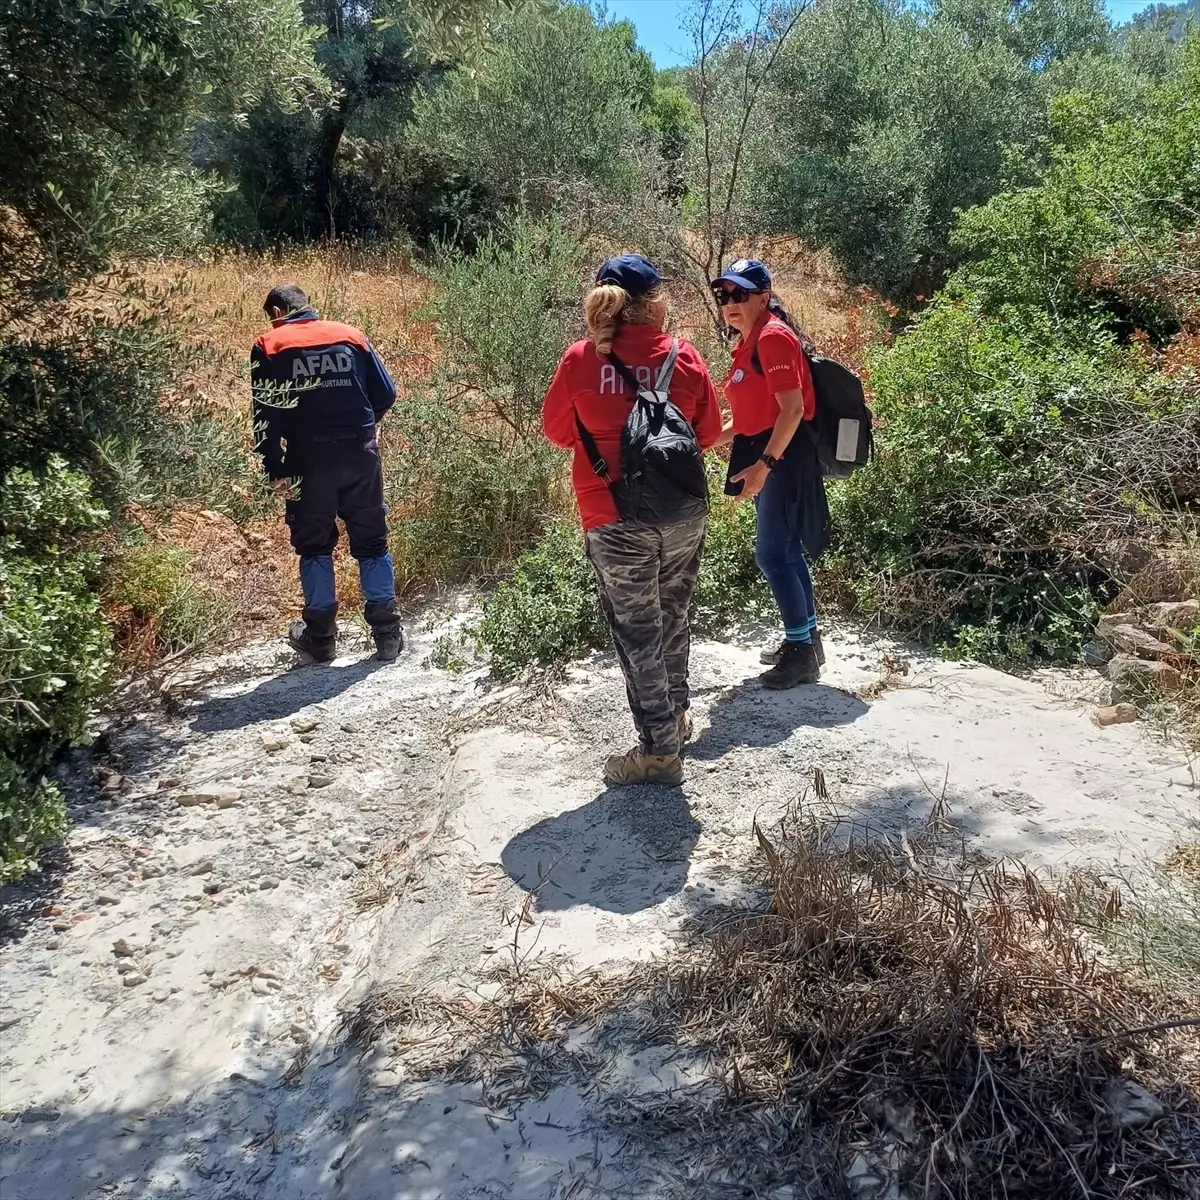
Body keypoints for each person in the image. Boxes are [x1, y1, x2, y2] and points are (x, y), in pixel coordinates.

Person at [543, 254, 722, 785]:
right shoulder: (684, 357)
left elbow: (556, 431)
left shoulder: (578, 360)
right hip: (681, 512)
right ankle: (678, 716)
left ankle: (659, 752)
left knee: (637, 631)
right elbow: (707, 434)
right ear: (652, 303)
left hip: (612, 514)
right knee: (674, 613)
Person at [251, 283, 404, 663]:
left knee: (314, 545)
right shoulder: (350, 335)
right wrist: (367, 429)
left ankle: (321, 638)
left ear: (276, 312)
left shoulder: (270, 344)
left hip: (307, 459)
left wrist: (275, 467)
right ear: (309, 306)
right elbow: (385, 393)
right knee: (372, 540)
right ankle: (387, 635)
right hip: (360, 453)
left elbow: (265, 414)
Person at [711, 259, 829, 689]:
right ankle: (806, 641)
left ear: (764, 297)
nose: (730, 303)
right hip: (771, 451)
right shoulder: (751, 340)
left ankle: (801, 654)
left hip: (783, 455)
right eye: (724, 295)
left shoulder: (774, 337)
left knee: (772, 553)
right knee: (786, 550)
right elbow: (749, 417)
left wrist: (765, 466)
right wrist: (703, 441)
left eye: (740, 294)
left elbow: (792, 410)